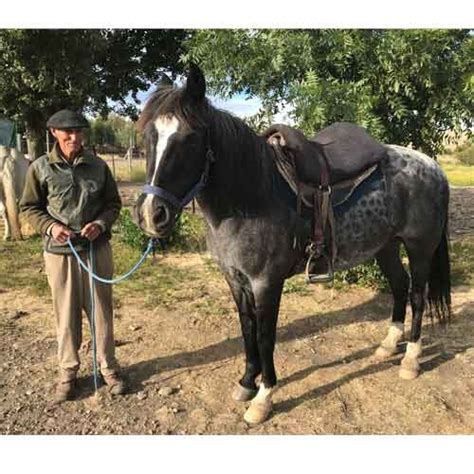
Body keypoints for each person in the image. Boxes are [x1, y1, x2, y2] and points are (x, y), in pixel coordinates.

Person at [20, 109, 126, 402]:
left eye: (79, 131)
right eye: (67, 132)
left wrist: (101, 224)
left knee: (102, 312)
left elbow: (113, 204)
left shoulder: (98, 166)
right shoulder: (40, 168)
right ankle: (68, 372)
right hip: (59, 253)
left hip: (96, 250)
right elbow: (29, 208)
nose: (74, 137)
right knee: (65, 316)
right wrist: (51, 226)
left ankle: (109, 368)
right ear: (54, 132)